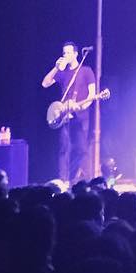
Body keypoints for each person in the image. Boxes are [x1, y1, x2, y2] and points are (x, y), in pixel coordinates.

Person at [41, 41, 96, 182]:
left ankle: (76, 179)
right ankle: (63, 180)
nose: (65, 55)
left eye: (68, 52)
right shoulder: (62, 73)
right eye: (64, 53)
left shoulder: (86, 71)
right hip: (64, 115)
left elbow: (92, 96)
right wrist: (56, 68)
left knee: (81, 149)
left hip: (80, 115)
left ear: (76, 54)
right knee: (64, 149)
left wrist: (81, 107)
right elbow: (45, 83)